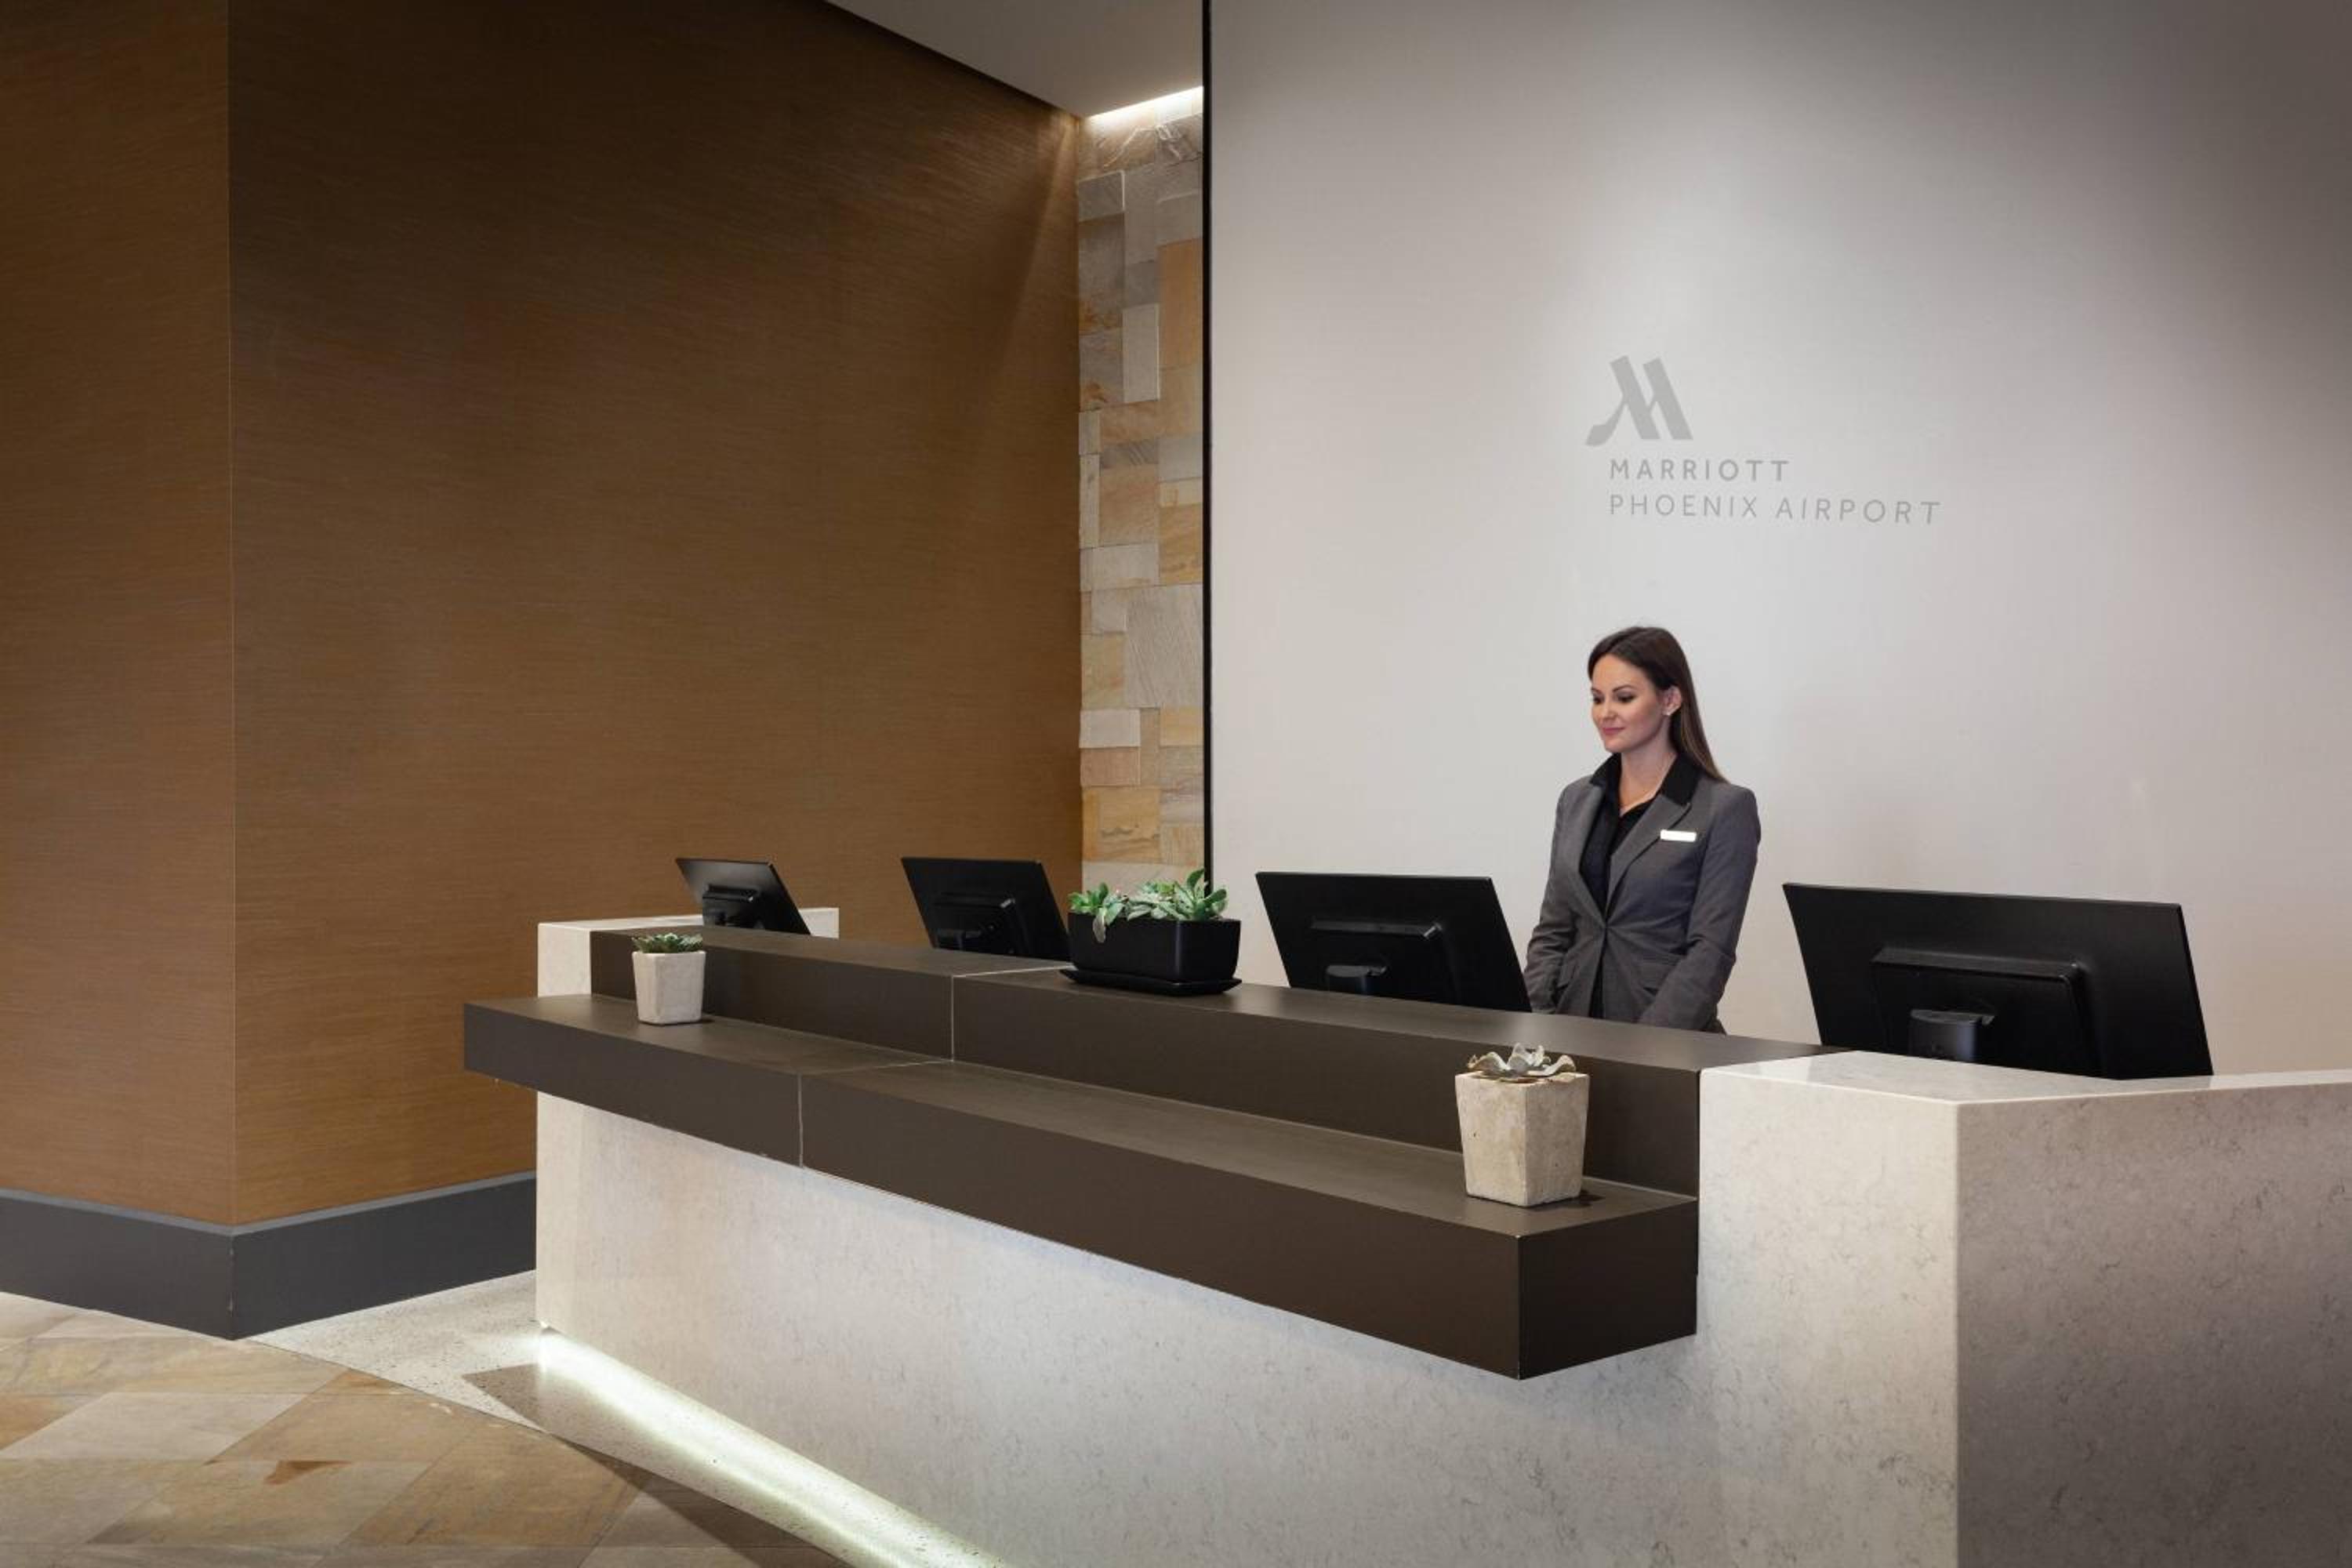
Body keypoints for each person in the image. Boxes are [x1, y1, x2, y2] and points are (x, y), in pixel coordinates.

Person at [1522, 626, 1760, 1031]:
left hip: (1665, 1039)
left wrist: (1646, 1044)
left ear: (1670, 700)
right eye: (1597, 699)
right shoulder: (1576, 799)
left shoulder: (1725, 808)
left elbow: (1711, 951)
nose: (1605, 713)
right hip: (1570, 1035)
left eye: (1624, 697)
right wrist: (1538, 1024)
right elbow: (1553, 930)